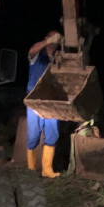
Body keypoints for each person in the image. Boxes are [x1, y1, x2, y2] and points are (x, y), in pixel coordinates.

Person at [26, 30, 63, 178]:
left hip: (53, 101)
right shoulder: (37, 57)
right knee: (33, 134)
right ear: (46, 38)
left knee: (52, 134)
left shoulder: (58, 60)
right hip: (35, 101)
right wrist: (47, 41)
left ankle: (47, 170)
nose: (54, 42)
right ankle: (31, 169)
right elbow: (32, 50)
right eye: (51, 38)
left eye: (56, 39)